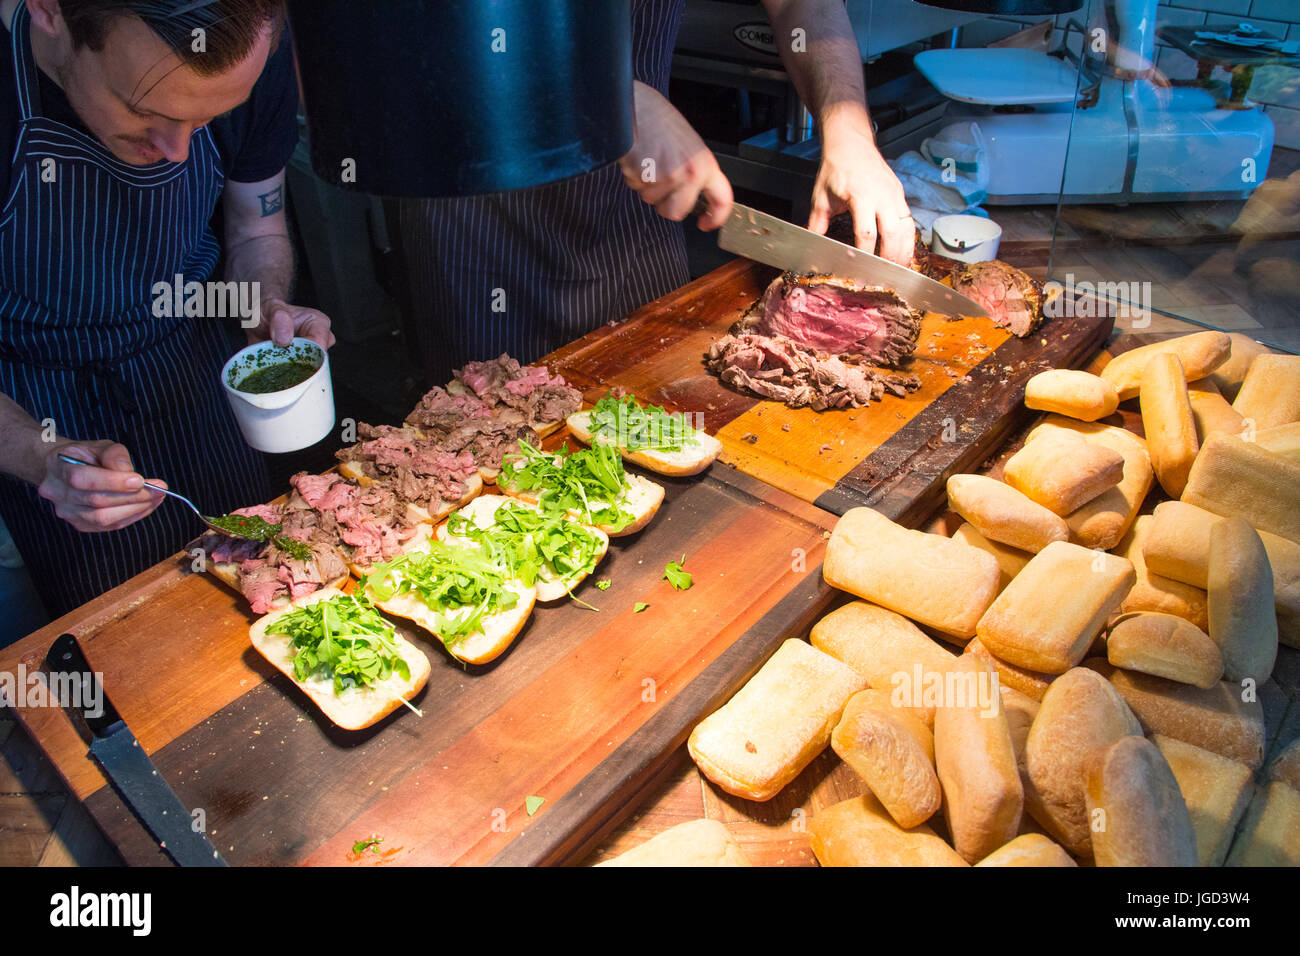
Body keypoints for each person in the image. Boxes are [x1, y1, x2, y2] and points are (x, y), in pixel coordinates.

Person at [0, 0, 332, 618]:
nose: (177, 150)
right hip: (37, 392)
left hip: (192, 363)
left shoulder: (244, 51)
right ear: (50, 11)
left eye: (209, 118)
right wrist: (40, 457)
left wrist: (265, 307)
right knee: (129, 632)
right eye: (144, 112)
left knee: (256, 586)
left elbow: (256, 232)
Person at [399, 0, 913, 385]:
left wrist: (847, 126)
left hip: (639, 196)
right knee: (486, 438)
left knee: (651, 407)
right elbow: (397, 28)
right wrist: (604, 95)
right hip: (479, 200)